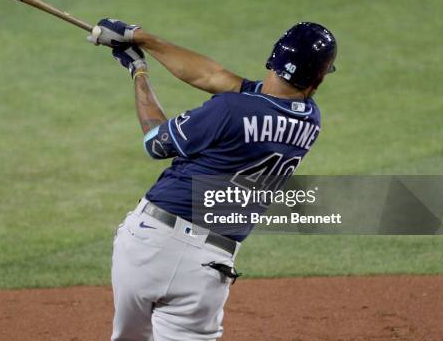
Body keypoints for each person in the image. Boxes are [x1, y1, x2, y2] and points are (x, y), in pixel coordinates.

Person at [88, 20, 337, 341]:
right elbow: (210, 75)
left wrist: (138, 71)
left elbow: (156, 142)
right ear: (318, 78)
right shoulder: (309, 120)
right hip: (206, 265)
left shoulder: (229, 109)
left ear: (272, 61)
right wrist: (142, 39)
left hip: (146, 245)